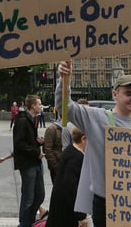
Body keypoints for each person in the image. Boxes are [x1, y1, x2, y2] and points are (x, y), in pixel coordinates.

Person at [55, 60, 131, 227]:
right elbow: (64, 107)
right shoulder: (98, 118)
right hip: (107, 205)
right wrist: (64, 79)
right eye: (128, 93)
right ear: (115, 94)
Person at [13, 94, 45, 227]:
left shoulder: (33, 119)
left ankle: (30, 220)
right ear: (33, 106)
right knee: (28, 197)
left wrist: (39, 142)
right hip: (28, 164)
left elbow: (29, 141)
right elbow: (19, 144)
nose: (41, 106)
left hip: (35, 162)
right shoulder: (22, 120)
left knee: (40, 195)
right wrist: (36, 152)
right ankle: (24, 223)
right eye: (39, 104)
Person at [46, 126, 87, 227]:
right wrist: (80, 216)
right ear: (83, 139)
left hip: (62, 206)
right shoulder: (76, 158)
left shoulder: (71, 149)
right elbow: (71, 188)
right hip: (66, 211)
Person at [42, 119, 62, 184]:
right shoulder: (52, 129)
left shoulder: (70, 128)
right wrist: (55, 166)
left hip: (68, 167)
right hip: (57, 167)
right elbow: (47, 149)